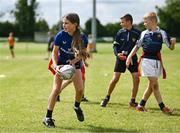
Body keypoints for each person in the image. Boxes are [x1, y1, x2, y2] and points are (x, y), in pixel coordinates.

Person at [43, 13, 89, 128]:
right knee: (56, 89)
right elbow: (54, 52)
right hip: (61, 65)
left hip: (75, 65)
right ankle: (47, 117)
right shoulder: (60, 35)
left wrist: (74, 60)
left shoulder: (82, 37)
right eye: (63, 23)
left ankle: (77, 106)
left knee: (80, 90)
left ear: (75, 24)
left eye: (66, 23)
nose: (64, 25)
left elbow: (83, 54)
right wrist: (55, 65)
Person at [126, 12, 176, 114]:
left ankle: (140, 105)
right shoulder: (144, 33)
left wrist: (173, 44)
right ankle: (163, 107)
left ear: (153, 21)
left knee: (151, 85)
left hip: (157, 61)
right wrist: (129, 57)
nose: (144, 23)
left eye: (145, 21)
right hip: (146, 61)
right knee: (154, 84)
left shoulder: (162, 33)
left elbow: (170, 47)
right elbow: (137, 46)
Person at [100, 14, 141, 108]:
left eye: (122, 22)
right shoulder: (120, 32)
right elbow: (115, 45)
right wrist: (117, 54)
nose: (120, 23)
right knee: (115, 79)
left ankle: (132, 101)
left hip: (132, 58)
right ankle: (106, 97)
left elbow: (139, 45)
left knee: (136, 78)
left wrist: (130, 56)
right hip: (120, 58)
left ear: (129, 22)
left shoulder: (137, 33)